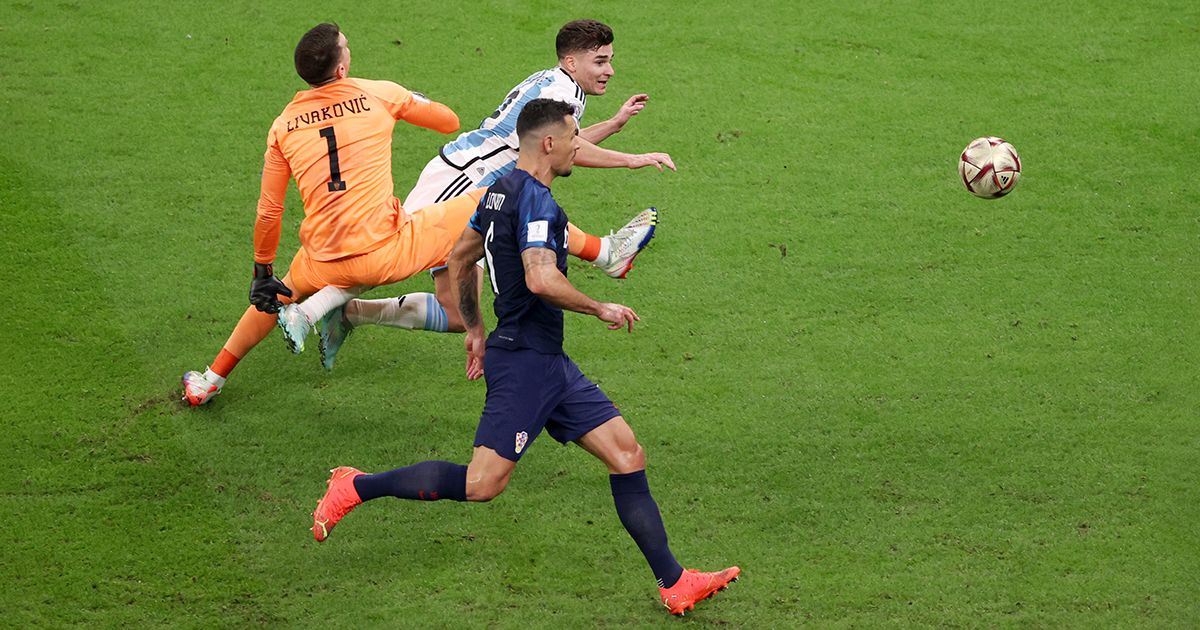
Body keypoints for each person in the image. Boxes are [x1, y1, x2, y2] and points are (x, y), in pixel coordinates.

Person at [309, 99, 738, 616]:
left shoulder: (496, 190)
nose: (580, 145)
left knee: (627, 454)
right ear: (549, 143)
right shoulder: (535, 199)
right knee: (482, 483)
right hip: (525, 363)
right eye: (575, 137)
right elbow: (540, 277)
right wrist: (598, 305)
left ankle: (675, 582)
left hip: (547, 360)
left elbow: (460, 256)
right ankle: (354, 485)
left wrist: (473, 327)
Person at [276, 19, 671, 369]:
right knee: (387, 255)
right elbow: (568, 149)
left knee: (458, 313)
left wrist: (615, 125)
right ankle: (308, 312)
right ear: (572, 62)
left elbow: (567, 144)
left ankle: (351, 313)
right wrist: (632, 160)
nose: (610, 70)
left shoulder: (560, 85)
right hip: (464, 178)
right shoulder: (560, 92)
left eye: (610, 60)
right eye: (600, 61)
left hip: (480, 182)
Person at [181, 23, 488, 405]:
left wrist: (262, 270)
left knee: (279, 292)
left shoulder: (283, 126)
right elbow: (449, 121)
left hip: (321, 260)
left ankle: (210, 380)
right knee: (492, 198)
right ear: (342, 68)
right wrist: (409, 99)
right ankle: (575, 252)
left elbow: (269, 210)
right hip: (386, 252)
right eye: (346, 46)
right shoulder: (379, 94)